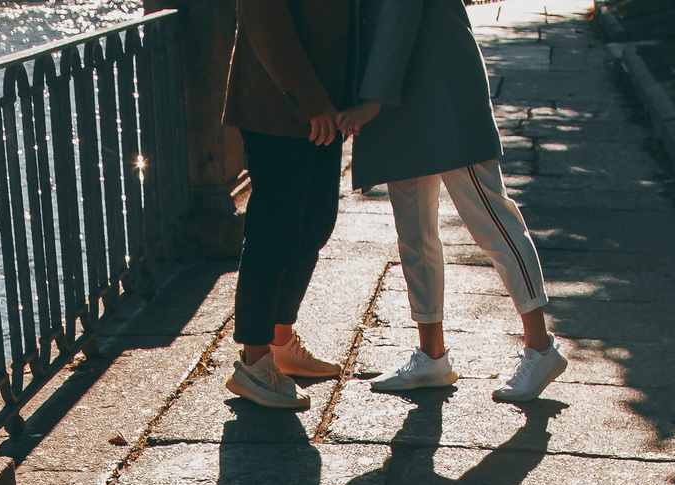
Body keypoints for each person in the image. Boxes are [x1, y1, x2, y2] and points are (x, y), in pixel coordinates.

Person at [337, 0, 566, 403]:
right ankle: (431, 355)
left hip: (440, 88)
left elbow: (398, 12)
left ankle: (541, 348)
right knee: (414, 232)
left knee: (492, 222)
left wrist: (371, 97)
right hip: (400, 91)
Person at [222, 0, 356, 409]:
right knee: (274, 230)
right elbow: (264, 20)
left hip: (324, 101)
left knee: (316, 222)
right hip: (279, 103)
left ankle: (279, 341)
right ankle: (253, 358)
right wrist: (311, 99)